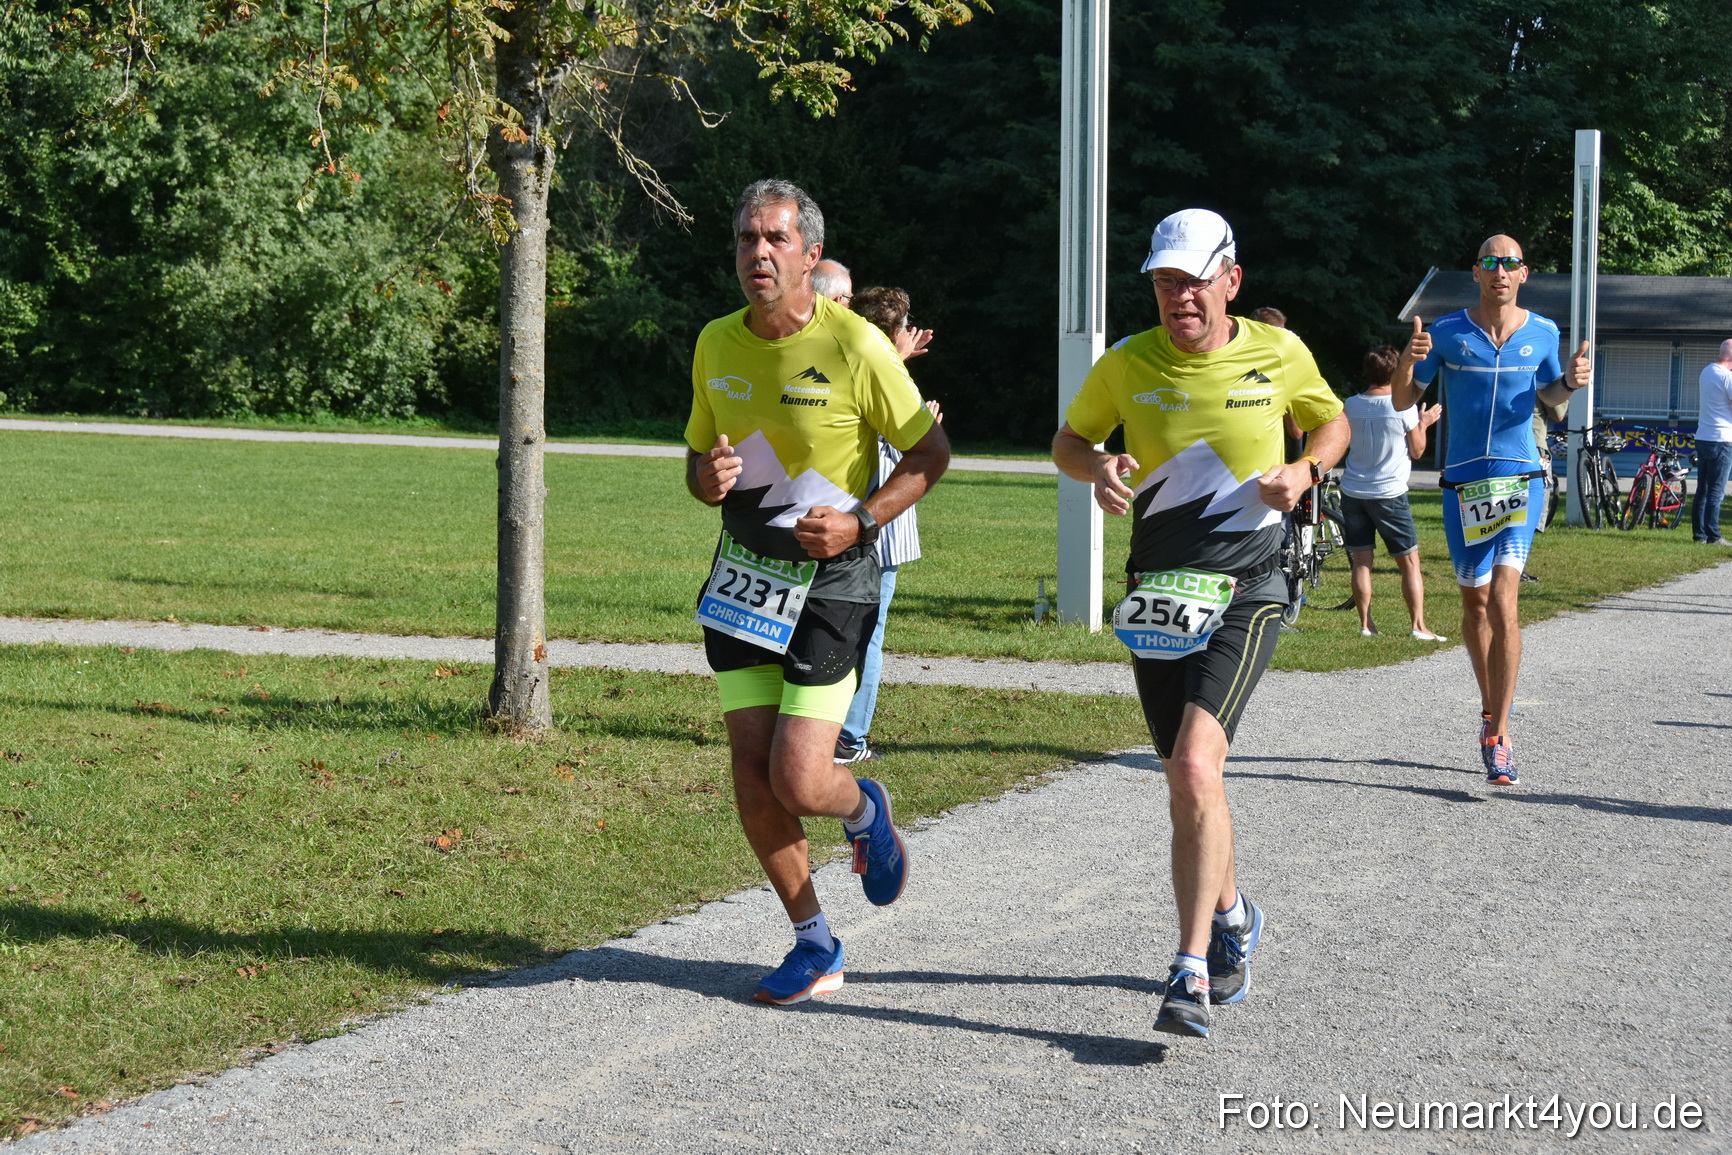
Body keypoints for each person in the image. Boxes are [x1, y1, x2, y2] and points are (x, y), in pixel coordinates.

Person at [1052, 208, 1347, 1040]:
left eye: (1191, 281)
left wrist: (1306, 466)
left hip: (1251, 586)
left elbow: (1335, 421)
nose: (1178, 297)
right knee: (1188, 780)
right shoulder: (1127, 364)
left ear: (1231, 281)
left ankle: (1189, 970)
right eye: (1163, 282)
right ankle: (1234, 913)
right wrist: (1097, 463)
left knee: (1192, 765)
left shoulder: (1277, 352)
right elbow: (1069, 440)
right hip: (1158, 594)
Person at [685, 179, 951, 1005]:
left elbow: (929, 454)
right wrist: (708, 476)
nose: (756, 254)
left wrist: (861, 522)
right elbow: (697, 464)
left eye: (773, 239)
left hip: (833, 580)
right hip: (745, 577)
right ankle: (814, 940)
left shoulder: (857, 345)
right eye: (743, 239)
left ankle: (864, 809)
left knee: (801, 779)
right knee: (750, 771)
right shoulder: (715, 343)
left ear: (809, 253)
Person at [1390, 236, 1591, 786]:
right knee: (1474, 603)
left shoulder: (1544, 331)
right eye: (1489, 262)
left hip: (1520, 478)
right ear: (1476, 272)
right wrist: (1408, 363)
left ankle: (1501, 735)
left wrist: (1571, 380)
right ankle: (1488, 709)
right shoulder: (1449, 332)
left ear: (1523, 274)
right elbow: (1404, 401)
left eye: (1510, 263)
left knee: (1504, 597)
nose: (1500, 271)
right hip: (1462, 485)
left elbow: (1551, 396)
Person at [824, 284, 939, 764]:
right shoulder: (888, 378)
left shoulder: (849, 369)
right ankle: (850, 736)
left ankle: (840, 731)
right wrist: (928, 422)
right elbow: (905, 450)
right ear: (894, 332)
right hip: (881, 530)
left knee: (843, 631)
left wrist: (900, 358)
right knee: (868, 635)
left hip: (858, 525)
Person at [1340, 344, 1445, 640]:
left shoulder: (1350, 404)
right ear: (1398, 371)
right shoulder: (1403, 407)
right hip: (1389, 492)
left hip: (1354, 489)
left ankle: (1366, 624)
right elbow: (1418, 449)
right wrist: (1423, 423)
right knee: (1409, 562)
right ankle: (1418, 626)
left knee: (1362, 561)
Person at [1691, 340, 1732, 545]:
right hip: (1722, 439)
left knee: (1702, 490)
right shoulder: (1727, 377)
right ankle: (1714, 536)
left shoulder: (1706, 371)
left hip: (1703, 436)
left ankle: (1700, 535)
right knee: (1716, 491)